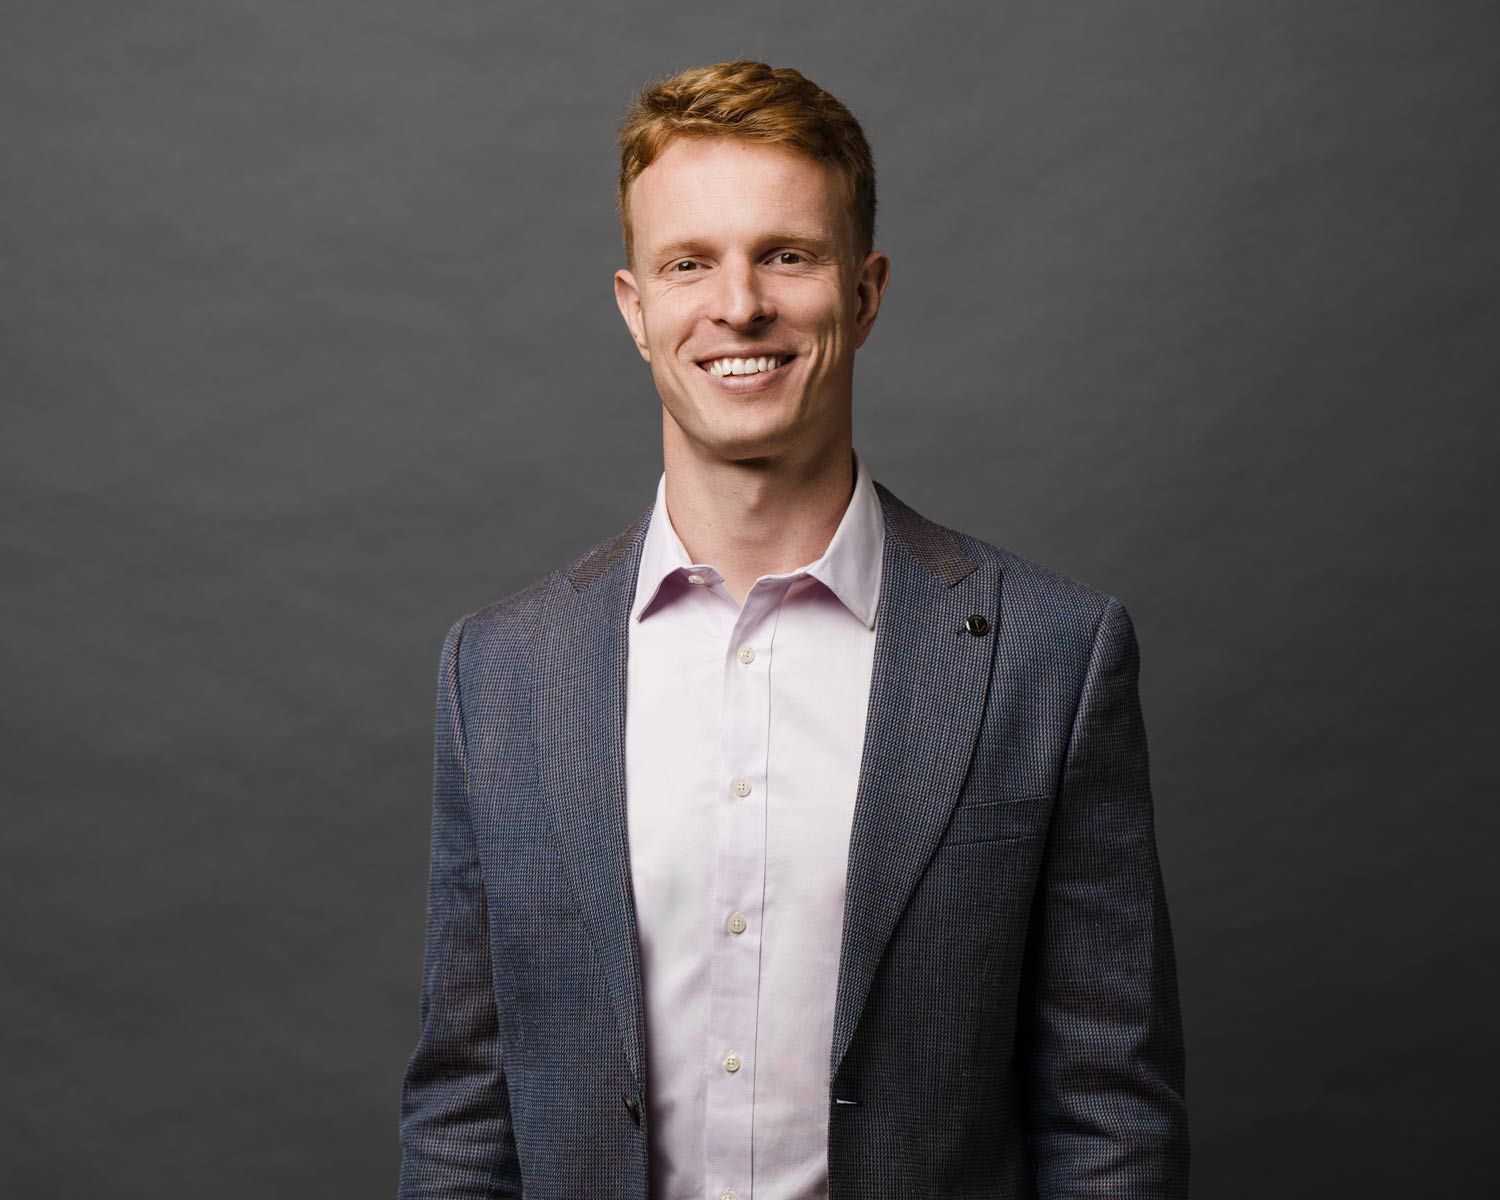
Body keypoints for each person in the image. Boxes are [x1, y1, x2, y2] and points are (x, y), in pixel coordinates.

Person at [397, 59, 1188, 1200]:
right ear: (636, 308)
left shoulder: (1051, 660)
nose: (739, 306)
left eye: (786, 255)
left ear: (863, 292)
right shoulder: (503, 673)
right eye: (689, 264)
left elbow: (1109, 1118)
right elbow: (464, 1115)